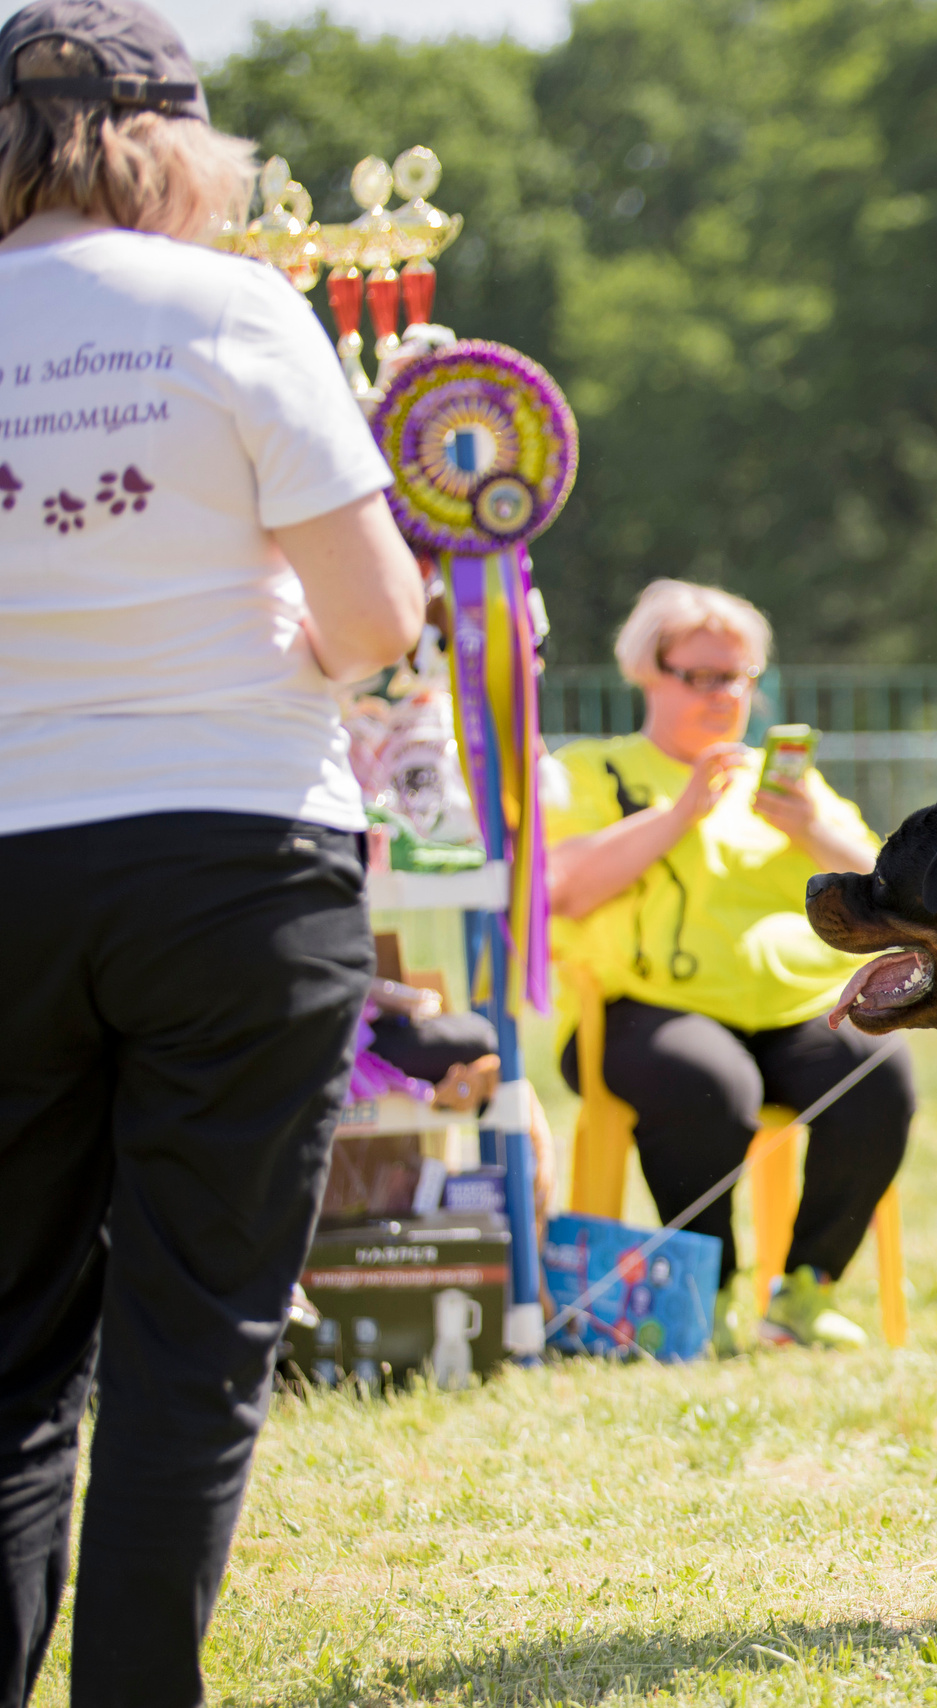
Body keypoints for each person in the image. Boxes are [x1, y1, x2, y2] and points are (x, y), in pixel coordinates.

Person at [0, 3, 425, 1696]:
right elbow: (378, 616)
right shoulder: (242, 306)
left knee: (11, 1351)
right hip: (238, 860)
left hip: (12, 863)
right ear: (175, 141)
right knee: (193, 1348)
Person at [547, 579, 915, 1348]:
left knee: (877, 1072)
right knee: (710, 1084)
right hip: (638, 1014)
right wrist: (680, 812)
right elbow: (565, 887)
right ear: (649, 671)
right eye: (703, 676)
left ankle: (805, 1293)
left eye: (740, 677)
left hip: (787, 1012)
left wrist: (814, 828)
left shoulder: (785, 783)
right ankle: (699, 1295)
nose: (725, 695)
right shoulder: (596, 770)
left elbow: (891, 891)